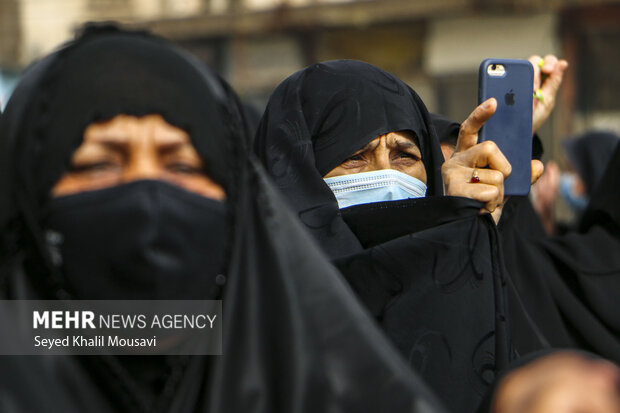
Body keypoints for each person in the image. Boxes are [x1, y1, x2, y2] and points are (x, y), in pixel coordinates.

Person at [0, 24, 452, 413]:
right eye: (99, 165)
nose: (148, 198)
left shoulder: (306, 372)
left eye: (181, 167)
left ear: (239, 200)